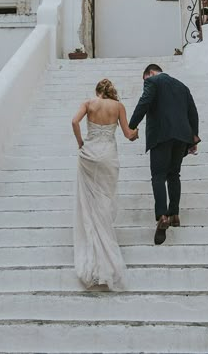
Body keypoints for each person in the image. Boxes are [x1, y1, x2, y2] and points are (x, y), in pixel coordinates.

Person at [72, 78, 138, 290]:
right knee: (105, 198)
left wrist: (81, 143)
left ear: (97, 91)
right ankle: (106, 239)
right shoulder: (118, 106)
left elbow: (74, 122)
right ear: (111, 92)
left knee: (90, 200)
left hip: (89, 154)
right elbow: (128, 134)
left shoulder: (89, 103)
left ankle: (94, 242)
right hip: (108, 156)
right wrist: (135, 133)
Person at [129, 63, 200, 245]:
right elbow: (193, 113)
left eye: (145, 78)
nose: (146, 82)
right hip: (182, 136)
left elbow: (144, 102)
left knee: (158, 176)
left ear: (151, 73)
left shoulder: (153, 82)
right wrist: (193, 138)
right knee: (174, 174)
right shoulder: (182, 86)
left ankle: (162, 216)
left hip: (161, 134)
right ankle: (174, 213)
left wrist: (131, 125)